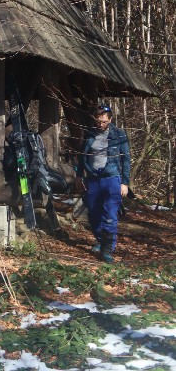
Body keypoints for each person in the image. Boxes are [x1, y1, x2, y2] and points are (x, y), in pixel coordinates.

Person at [76, 103, 130, 264]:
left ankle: (107, 250)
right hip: (93, 179)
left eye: (104, 121)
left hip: (112, 178)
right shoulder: (90, 133)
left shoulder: (119, 135)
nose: (100, 124)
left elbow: (126, 160)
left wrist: (125, 183)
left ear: (110, 119)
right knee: (93, 212)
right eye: (98, 121)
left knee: (110, 215)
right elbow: (82, 156)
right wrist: (79, 175)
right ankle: (101, 240)